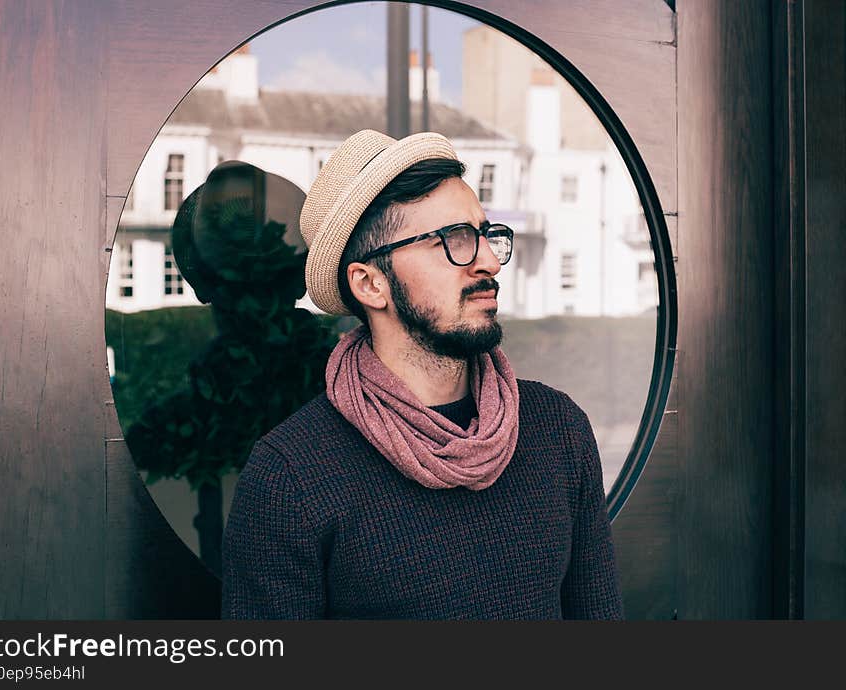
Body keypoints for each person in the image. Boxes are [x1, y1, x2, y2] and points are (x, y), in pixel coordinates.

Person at [221, 129, 624, 620]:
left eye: (484, 235)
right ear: (370, 284)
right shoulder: (292, 477)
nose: (490, 261)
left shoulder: (556, 430)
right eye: (454, 240)